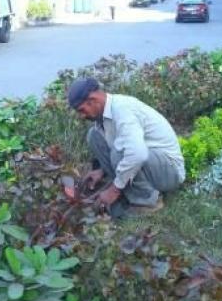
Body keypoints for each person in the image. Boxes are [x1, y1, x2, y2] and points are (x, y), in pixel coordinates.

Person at [67, 78, 185, 218]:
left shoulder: (122, 110)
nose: (81, 116)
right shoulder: (104, 116)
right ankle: (128, 190)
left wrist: (114, 190)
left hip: (170, 171)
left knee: (121, 152)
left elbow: (137, 154)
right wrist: (102, 171)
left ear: (93, 99)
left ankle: (148, 202)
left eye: (81, 110)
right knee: (94, 136)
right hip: (152, 164)